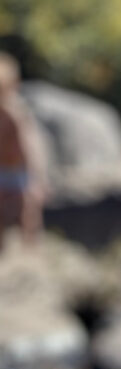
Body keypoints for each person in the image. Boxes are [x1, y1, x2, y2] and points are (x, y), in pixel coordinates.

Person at [0, 52, 47, 247]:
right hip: (3, 171)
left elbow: (31, 148)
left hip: (20, 173)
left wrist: (37, 179)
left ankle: (31, 252)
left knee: (27, 215)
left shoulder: (16, 113)